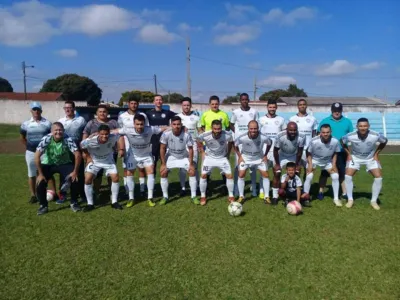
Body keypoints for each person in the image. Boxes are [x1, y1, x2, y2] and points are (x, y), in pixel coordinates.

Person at [113, 114, 168, 207]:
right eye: (137, 124)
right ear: (134, 124)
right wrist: (97, 133)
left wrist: (181, 127)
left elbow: (163, 128)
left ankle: (150, 198)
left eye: (141, 124)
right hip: (133, 155)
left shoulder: (150, 129)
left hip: (146, 155)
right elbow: (114, 131)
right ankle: (131, 198)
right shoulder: (127, 130)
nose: (139, 126)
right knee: (130, 174)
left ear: (144, 124)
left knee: (150, 172)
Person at [35, 122, 82, 215]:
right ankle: (43, 206)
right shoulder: (46, 139)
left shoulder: (67, 138)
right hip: (49, 163)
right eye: (56, 130)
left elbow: (78, 155)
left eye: (60, 130)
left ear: (63, 131)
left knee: (74, 179)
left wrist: (75, 172)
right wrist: (40, 174)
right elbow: (36, 156)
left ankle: (74, 202)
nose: (58, 132)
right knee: (40, 182)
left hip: (64, 163)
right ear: (51, 131)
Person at [341, 118, 388, 210]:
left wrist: (376, 154)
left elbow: (384, 141)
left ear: (369, 126)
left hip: (370, 158)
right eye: (361, 126)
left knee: (378, 177)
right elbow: (342, 141)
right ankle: (350, 200)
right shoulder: (351, 135)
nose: (363, 128)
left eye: (365, 126)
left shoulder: (375, 135)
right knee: (347, 176)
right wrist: (348, 154)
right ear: (357, 127)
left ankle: (373, 201)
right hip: (355, 158)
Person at [80, 124, 125, 211]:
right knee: (87, 179)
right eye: (102, 134)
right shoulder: (91, 140)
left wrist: (121, 149)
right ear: (98, 134)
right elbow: (81, 145)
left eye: (106, 134)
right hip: (95, 161)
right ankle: (90, 204)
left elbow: (120, 137)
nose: (104, 136)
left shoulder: (113, 136)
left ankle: (114, 202)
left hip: (108, 160)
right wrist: (88, 157)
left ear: (109, 133)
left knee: (115, 178)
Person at [317, 102, 353, 200]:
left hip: (342, 152)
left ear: (341, 111)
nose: (337, 112)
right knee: (324, 173)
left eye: (339, 111)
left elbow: (351, 138)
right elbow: (318, 134)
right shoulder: (325, 120)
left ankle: (344, 192)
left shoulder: (348, 122)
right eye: (335, 111)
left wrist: (349, 153)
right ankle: (320, 191)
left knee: (342, 172)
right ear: (331, 111)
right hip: (327, 152)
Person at [159, 116, 199, 205]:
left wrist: (191, 164)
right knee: (163, 172)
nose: (176, 126)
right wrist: (163, 163)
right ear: (171, 125)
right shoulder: (166, 134)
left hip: (183, 156)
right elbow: (162, 148)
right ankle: (165, 196)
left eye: (178, 124)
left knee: (192, 171)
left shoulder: (186, 135)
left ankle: (193, 196)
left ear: (181, 125)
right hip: (171, 156)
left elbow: (191, 149)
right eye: (174, 124)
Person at [82, 105, 120, 194]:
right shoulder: (91, 123)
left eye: (104, 111)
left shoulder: (113, 122)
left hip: (110, 151)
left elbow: (119, 134)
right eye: (100, 111)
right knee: (97, 174)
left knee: (111, 173)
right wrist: (85, 153)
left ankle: (112, 192)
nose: (102, 113)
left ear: (107, 113)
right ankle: (96, 190)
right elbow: (85, 134)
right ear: (96, 113)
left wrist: (120, 148)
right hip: (95, 153)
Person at [20, 102, 52, 204]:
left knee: (47, 173)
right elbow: (22, 138)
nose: (36, 111)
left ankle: (52, 193)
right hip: (30, 152)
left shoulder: (47, 123)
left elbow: (51, 137)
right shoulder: (25, 124)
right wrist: (30, 147)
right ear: (31, 111)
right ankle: (33, 195)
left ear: (41, 111)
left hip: (44, 152)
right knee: (32, 174)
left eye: (38, 109)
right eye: (34, 109)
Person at [197, 120, 235, 205]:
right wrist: (202, 152)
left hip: (222, 158)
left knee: (229, 175)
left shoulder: (227, 134)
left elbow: (231, 141)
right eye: (215, 129)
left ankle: (231, 195)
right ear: (212, 128)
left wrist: (228, 153)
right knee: (203, 175)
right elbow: (198, 140)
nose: (217, 131)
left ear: (221, 128)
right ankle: (203, 196)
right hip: (209, 158)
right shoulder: (205, 135)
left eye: (219, 129)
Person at [234, 120, 272, 204]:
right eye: (251, 128)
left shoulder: (263, 137)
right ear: (248, 128)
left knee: (266, 175)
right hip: (245, 158)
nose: (253, 130)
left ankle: (267, 197)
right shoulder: (242, 137)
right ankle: (241, 196)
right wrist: (240, 156)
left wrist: (265, 155)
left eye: (255, 128)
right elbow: (235, 145)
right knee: (241, 174)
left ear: (258, 128)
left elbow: (270, 143)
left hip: (259, 158)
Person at [303, 124, 342, 207]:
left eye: (327, 132)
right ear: (320, 132)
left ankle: (336, 199)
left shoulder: (335, 141)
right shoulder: (314, 141)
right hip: (314, 160)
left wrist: (334, 164)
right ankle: (306, 198)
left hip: (327, 161)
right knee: (309, 176)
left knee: (335, 176)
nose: (325, 134)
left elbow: (336, 153)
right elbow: (308, 152)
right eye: (323, 132)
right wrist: (310, 164)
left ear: (331, 132)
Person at [118, 96, 149, 197]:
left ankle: (142, 189)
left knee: (141, 168)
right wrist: (121, 147)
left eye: (135, 103)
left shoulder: (143, 115)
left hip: (140, 146)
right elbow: (120, 133)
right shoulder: (122, 116)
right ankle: (127, 190)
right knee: (127, 168)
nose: (134, 105)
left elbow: (147, 129)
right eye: (132, 103)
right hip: (127, 146)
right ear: (128, 104)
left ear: (138, 104)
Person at [230, 93, 259, 197]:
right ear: (240, 100)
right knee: (238, 166)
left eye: (246, 99)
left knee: (253, 166)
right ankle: (236, 188)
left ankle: (254, 188)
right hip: (240, 143)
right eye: (242, 99)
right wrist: (238, 134)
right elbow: (231, 124)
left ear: (248, 100)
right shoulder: (235, 112)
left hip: (252, 143)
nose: (244, 101)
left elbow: (257, 125)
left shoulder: (254, 112)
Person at [58, 100, 87, 203]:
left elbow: (85, 134)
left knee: (79, 173)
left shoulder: (81, 120)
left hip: (78, 151)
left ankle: (82, 194)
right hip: (64, 151)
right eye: (65, 108)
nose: (67, 109)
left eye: (69, 107)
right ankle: (63, 195)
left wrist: (84, 149)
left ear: (74, 109)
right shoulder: (60, 121)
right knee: (63, 174)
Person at [259, 99, 287, 201]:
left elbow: (284, 135)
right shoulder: (261, 119)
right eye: (270, 107)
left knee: (277, 172)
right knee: (264, 172)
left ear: (276, 108)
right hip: (264, 151)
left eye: (273, 107)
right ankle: (262, 191)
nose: (272, 109)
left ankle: (276, 190)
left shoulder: (281, 120)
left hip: (277, 151)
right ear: (267, 107)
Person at [273, 122, 306, 205]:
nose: (293, 132)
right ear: (287, 129)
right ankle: (275, 196)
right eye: (291, 130)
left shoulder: (302, 136)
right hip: (282, 155)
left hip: (293, 155)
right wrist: (277, 164)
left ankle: (294, 194)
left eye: (295, 130)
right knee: (277, 173)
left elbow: (300, 151)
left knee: (297, 172)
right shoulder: (280, 136)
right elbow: (275, 150)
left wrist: (297, 164)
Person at [145, 95, 176, 180]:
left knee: (165, 162)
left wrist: (169, 127)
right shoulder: (148, 113)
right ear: (154, 102)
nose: (158, 101)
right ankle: (152, 183)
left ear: (162, 102)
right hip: (153, 141)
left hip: (165, 141)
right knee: (152, 163)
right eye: (157, 100)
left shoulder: (167, 113)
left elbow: (178, 119)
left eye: (160, 100)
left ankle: (164, 183)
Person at [177, 97, 201, 196]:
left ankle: (196, 187)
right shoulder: (177, 117)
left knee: (194, 166)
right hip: (181, 145)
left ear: (191, 106)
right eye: (184, 105)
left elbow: (199, 131)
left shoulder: (196, 117)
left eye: (188, 105)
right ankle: (183, 188)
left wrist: (200, 143)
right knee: (182, 167)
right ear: (181, 106)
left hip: (194, 144)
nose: (186, 107)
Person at [289, 99, 318, 175]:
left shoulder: (312, 119)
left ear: (306, 106)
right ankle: (297, 186)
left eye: (304, 104)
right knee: (296, 170)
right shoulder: (292, 119)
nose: (302, 106)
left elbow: (314, 135)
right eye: (300, 104)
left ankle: (306, 186)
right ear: (298, 106)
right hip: (296, 149)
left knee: (308, 171)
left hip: (308, 149)